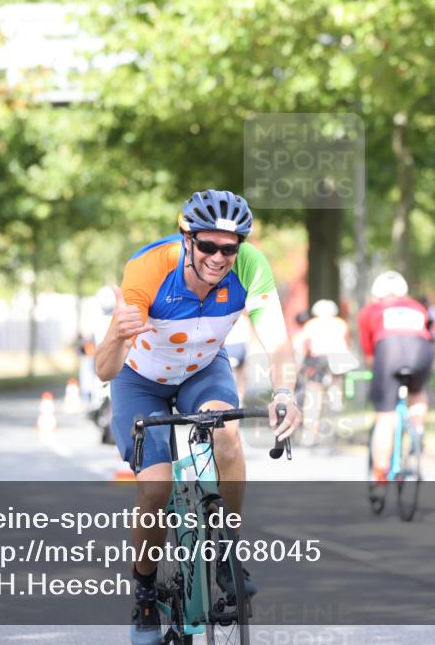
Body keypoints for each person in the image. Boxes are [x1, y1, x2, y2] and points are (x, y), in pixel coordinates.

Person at [94, 190, 302, 645]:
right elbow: (105, 370)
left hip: (203, 370)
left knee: (227, 435)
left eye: (230, 248)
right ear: (188, 238)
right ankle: (146, 590)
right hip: (140, 380)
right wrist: (116, 335)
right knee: (156, 489)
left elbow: (278, 341)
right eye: (208, 246)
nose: (218, 257)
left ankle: (228, 553)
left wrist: (285, 392)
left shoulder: (250, 267)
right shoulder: (150, 268)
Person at [358, 271, 433, 483]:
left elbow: (369, 351)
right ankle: (417, 429)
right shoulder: (417, 307)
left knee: (386, 416)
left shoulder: (370, 310)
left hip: (388, 351)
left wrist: (380, 376)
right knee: (417, 394)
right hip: (421, 350)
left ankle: (380, 473)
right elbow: (429, 334)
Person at [293, 299, 356, 442]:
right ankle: (335, 427)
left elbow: (300, 345)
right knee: (335, 392)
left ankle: (309, 434)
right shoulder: (341, 324)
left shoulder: (311, 324)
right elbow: (347, 344)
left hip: (318, 359)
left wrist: (298, 364)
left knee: (314, 394)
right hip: (338, 359)